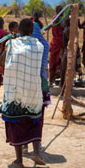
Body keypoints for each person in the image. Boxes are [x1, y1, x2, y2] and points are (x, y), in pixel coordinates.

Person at [0, 18, 45, 168]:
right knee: (35, 121)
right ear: (32, 31)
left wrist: (11, 42)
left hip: (15, 93)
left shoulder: (12, 44)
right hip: (33, 93)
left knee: (15, 123)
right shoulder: (39, 46)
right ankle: (37, 152)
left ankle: (19, 160)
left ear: (18, 30)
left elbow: (2, 61)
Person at [22, 12, 50, 155]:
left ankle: (25, 145)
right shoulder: (44, 46)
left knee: (24, 114)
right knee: (39, 116)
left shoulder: (22, 47)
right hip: (41, 84)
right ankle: (37, 146)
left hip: (25, 84)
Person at [48, 5, 64, 85]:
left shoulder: (62, 19)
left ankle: (61, 81)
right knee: (53, 62)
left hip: (62, 43)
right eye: (59, 10)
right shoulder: (55, 18)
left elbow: (64, 26)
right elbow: (50, 26)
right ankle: (51, 80)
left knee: (61, 62)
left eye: (61, 10)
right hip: (55, 43)